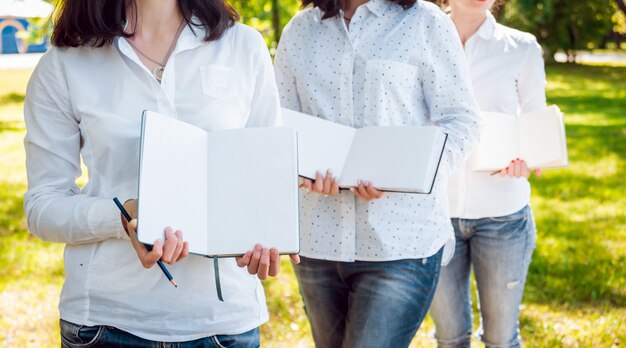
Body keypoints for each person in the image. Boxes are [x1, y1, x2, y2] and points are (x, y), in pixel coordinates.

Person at [23, 0, 299, 346]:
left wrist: (264, 233)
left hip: (223, 322)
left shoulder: (243, 46)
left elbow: (265, 177)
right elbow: (43, 207)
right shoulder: (65, 63)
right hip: (106, 324)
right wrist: (124, 216)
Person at [274, 0, 481, 346]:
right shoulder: (300, 30)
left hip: (400, 243)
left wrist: (406, 174)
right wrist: (300, 170)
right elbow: (280, 123)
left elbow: (462, 120)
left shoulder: (424, 22)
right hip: (317, 243)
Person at [428, 0, 546, 347]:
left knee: (500, 338)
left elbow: (534, 123)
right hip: (436, 214)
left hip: (503, 216)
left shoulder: (521, 47)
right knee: (449, 336)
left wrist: (529, 156)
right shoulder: (420, 37)